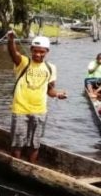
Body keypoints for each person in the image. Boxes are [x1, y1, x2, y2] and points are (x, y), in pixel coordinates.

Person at [6, 31, 67, 164]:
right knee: (17, 142)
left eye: (42, 52)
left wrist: (57, 94)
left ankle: (32, 166)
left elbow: (49, 90)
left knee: (35, 143)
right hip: (20, 109)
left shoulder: (50, 68)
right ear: (31, 50)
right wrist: (11, 40)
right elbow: (13, 53)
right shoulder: (23, 62)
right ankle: (16, 164)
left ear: (47, 52)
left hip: (40, 111)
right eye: (35, 51)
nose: (38, 54)